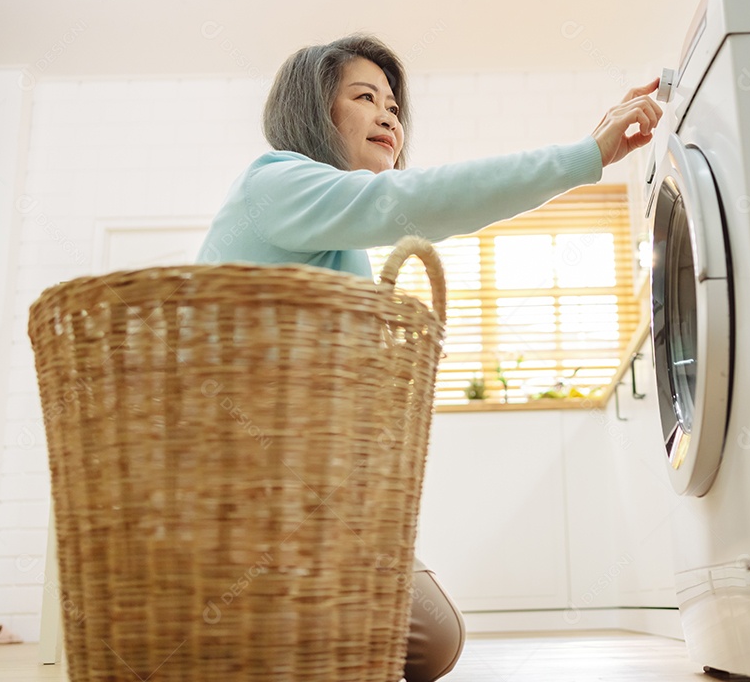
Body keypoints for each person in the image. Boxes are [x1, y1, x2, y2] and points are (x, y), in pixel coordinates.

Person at [197, 34, 662, 682]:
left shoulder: (340, 244)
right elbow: (407, 202)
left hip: (306, 495)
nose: (390, 115)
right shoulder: (274, 180)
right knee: (417, 638)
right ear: (312, 111)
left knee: (432, 638)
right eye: (365, 97)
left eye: (394, 104)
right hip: (233, 495)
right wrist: (587, 156)